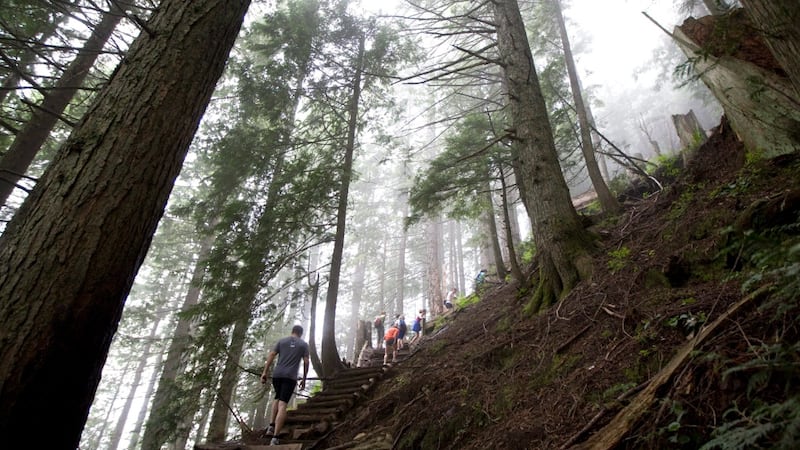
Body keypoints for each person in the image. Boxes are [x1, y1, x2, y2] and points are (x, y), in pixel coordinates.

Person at [260, 325, 309, 446]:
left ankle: (271, 427)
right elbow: (306, 361)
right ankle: (275, 437)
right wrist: (304, 378)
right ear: (300, 334)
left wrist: (265, 372)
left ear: (292, 331)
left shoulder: (282, 341)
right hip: (290, 376)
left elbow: (271, 355)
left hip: (277, 375)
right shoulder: (303, 344)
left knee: (277, 398)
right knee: (283, 404)